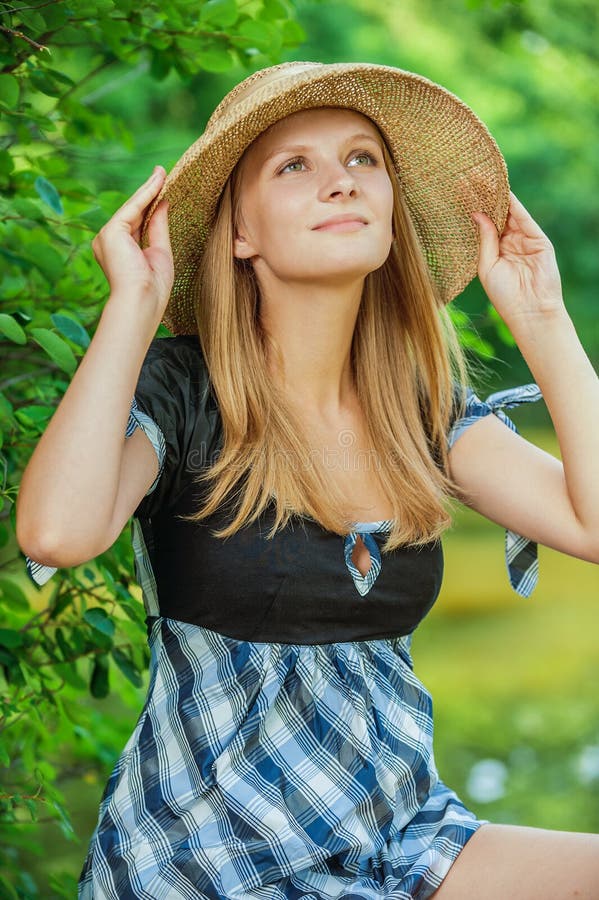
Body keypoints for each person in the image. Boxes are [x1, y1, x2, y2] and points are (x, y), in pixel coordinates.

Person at [16, 61, 599, 899]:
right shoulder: (185, 391)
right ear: (240, 232)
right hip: (206, 857)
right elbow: (56, 533)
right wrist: (133, 305)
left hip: (396, 833)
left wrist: (543, 320)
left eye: (362, 160)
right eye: (296, 166)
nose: (341, 183)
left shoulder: (421, 410)